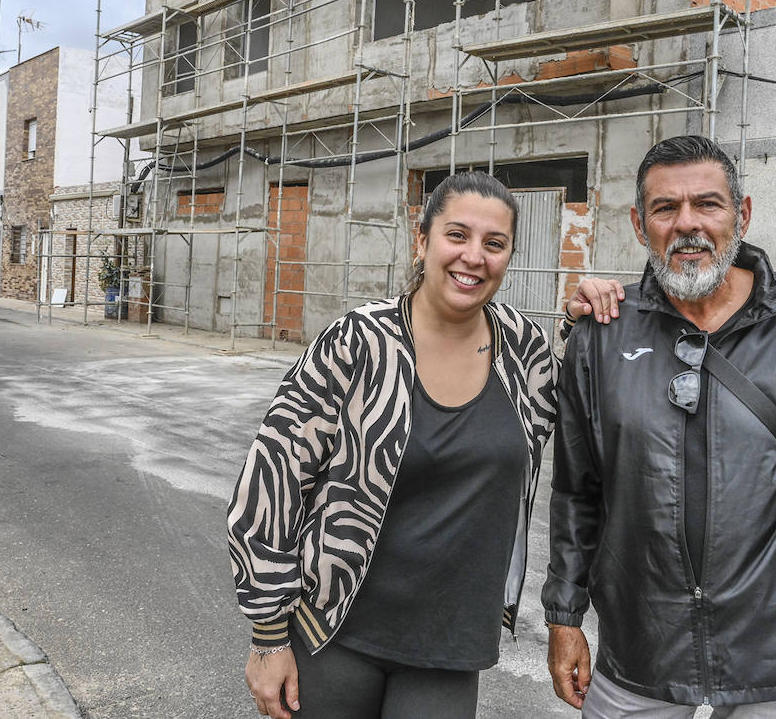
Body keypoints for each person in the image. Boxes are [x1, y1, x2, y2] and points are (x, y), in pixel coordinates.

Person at [229, 171, 617, 719]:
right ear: (422, 239)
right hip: (335, 633)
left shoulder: (523, 352)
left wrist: (585, 325)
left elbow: (582, 408)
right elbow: (272, 483)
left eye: (494, 243)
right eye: (457, 235)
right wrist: (268, 636)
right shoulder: (357, 343)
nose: (474, 256)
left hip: (449, 647)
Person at [545, 135, 776, 719]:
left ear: (742, 213)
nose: (687, 224)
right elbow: (577, 494)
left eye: (708, 204)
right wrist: (564, 617)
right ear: (640, 225)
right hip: (642, 648)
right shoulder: (603, 334)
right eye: (666, 208)